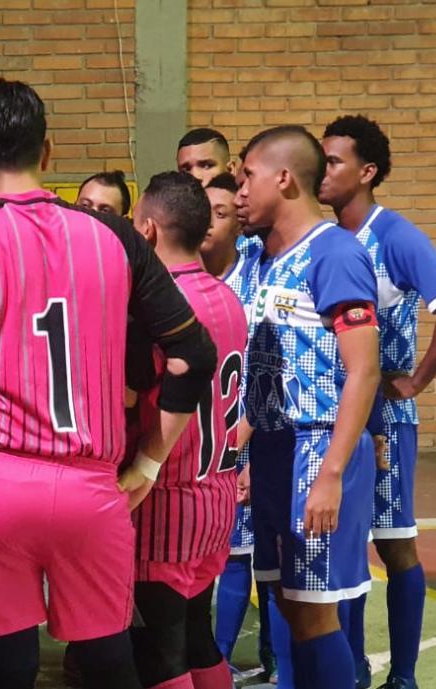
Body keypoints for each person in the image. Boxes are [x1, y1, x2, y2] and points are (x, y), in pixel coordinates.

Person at [0, 79, 216, 689]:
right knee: (109, 662)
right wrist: (146, 464)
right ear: (49, 151)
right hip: (91, 486)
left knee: (6, 669)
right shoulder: (115, 236)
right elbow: (192, 354)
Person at [320, 115, 436, 689]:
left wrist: (415, 381)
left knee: (393, 543)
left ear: (367, 172)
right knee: (346, 547)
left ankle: (404, 676)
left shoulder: (395, 235)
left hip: (385, 414)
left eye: (334, 162)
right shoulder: (325, 237)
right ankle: (353, 669)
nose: (324, 171)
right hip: (337, 416)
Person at [234, 125, 380, 689]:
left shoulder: (336, 251)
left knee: (317, 609)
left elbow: (363, 369)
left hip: (318, 447)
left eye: (247, 176)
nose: (239, 190)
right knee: (288, 603)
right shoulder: (256, 257)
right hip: (271, 447)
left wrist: (332, 473)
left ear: (284, 178)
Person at [128, 171, 247, 689]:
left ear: (149, 231)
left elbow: (134, 400)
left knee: (162, 653)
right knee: (199, 636)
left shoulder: (162, 309)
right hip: (216, 494)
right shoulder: (228, 298)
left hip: (167, 498)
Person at [194, 172, 277, 683]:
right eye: (204, 212)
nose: (210, 223)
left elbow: (266, 370)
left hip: (238, 437)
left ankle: (219, 661)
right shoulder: (174, 274)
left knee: (237, 553)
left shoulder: (255, 274)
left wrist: (238, 439)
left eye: (222, 213)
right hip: (188, 438)